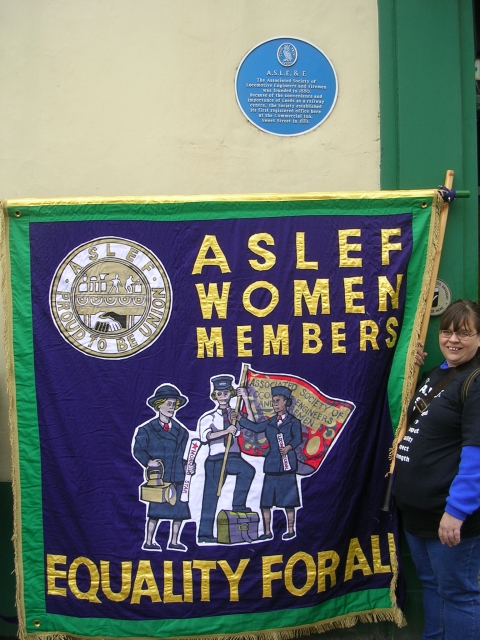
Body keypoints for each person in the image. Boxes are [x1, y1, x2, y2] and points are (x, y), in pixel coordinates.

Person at [394, 299, 480, 640]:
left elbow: (476, 452)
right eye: (446, 332)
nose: (452, 340)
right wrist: (409, 369)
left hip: (448, 516)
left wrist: (457, 510)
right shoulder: (437, 375)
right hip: (417, 511)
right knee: (431, 585)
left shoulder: (475, 382)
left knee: (458, 595)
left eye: (464, 333)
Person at [133, 384, 193, 552]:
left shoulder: (182, 431)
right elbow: (138, 450)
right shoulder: (147, 429)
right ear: (158, 405)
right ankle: (149, 540)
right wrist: (148, 461)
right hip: (159, 477)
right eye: (168, 404)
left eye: (174, 404)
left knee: (179, 512)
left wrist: (188, 465)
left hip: (178, 476)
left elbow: (180, 455)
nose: (171, 408)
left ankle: (174, 541)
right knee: (155, 511)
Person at [238, 386, 302, 541]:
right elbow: (255, 428)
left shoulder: (294, 422)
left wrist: (289, 447)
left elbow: (298, 438)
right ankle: (267, 532)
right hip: (272, 465)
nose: (275, 404)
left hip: (287, 466)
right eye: (273, 402)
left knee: (289, 502)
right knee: (265, 502)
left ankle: (291, 530)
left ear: (286, 402)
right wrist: (240, 419)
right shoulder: (270, 422)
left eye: (277, 401)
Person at [197, 375, 255, 543]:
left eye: (226, 393)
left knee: (248, 470)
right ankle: (205, 534)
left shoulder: (235, 414)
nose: (223, 397)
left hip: (233, 456)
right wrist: (226, 431)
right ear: (215, 395)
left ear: (231, 394)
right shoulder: (208, 417)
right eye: (219, 394)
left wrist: (245, 399)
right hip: (216, 458)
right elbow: (205, 437)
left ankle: (238, 505)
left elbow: (252, 423)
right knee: (211, 495)